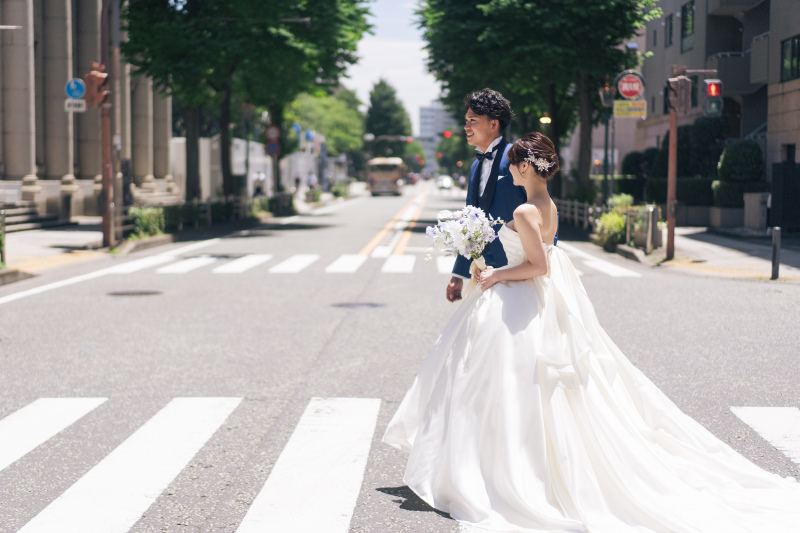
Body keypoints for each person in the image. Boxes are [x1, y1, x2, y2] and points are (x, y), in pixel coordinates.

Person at [383, 132, 800, 533]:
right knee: (536, 390)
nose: (509, 172)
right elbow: (546, 256)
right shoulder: (548, 205)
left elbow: (536, 266)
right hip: (538, 301)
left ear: (527, 166)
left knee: (500, 386)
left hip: (518, 298)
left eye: (514, 165)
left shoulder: (525, 211)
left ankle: (497, 469)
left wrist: (492, 275)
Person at [446, 89, 527, 303]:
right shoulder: (475, 166)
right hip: (485, 272)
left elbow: (543, 209)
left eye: (472, 120)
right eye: (466, 120)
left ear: (494, 124)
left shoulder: (517, 159)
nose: (466, 126)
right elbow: (469, 223)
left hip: (519, 272)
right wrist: (459, 274)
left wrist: (547, 259)